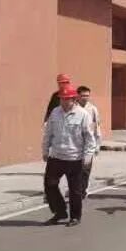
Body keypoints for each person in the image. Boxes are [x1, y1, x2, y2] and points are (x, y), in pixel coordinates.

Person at [42, 84, 96, 227]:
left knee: (75, 190)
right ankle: (60, 212)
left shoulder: (83, 115)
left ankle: (75, 217)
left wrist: (88, 156)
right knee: (49, 185)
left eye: (67, 99)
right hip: (56, 156)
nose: (64, 102)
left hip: (75, 158)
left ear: (74, 99)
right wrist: (45, 150)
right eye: (62, 99)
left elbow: (89, 138)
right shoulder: (55, 112)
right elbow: (48, 133)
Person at [76, 85, 102, 198]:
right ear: (78, 96)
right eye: (83, 96)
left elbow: (97, 126)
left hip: (89, 143)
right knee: (76, 169)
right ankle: (78, 188)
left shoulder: (92, 109)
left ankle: (82, 190)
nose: (85, 98)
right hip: (76, 144)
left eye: (87, 96)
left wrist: (97, 145)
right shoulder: (73, 108)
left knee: (86, 169)